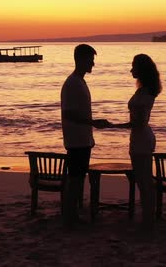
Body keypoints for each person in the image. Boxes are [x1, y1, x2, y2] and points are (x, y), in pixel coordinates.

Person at [110, 54, 161, 231]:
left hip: (141, 139)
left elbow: (139, 122)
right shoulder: (144, 90)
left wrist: (114, 126)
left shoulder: (145, 93)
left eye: (133, 66)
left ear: (141, 69)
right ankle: (148, 218)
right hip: (140, 137)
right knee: (143, 180)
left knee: (144, 181)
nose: (131, 69)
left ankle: (148, 220)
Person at [60, 43, 109, 228]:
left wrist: (91, 133)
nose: (93, 64)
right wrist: (93, 123)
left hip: (82, 139)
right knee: (75, 179)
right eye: (91, 60)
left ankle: (71, 216)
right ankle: (69, 217)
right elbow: (69, 114)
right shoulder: (73, 83)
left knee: (77, 178)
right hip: (76, 141)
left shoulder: (79, 82)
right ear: (80, 59)